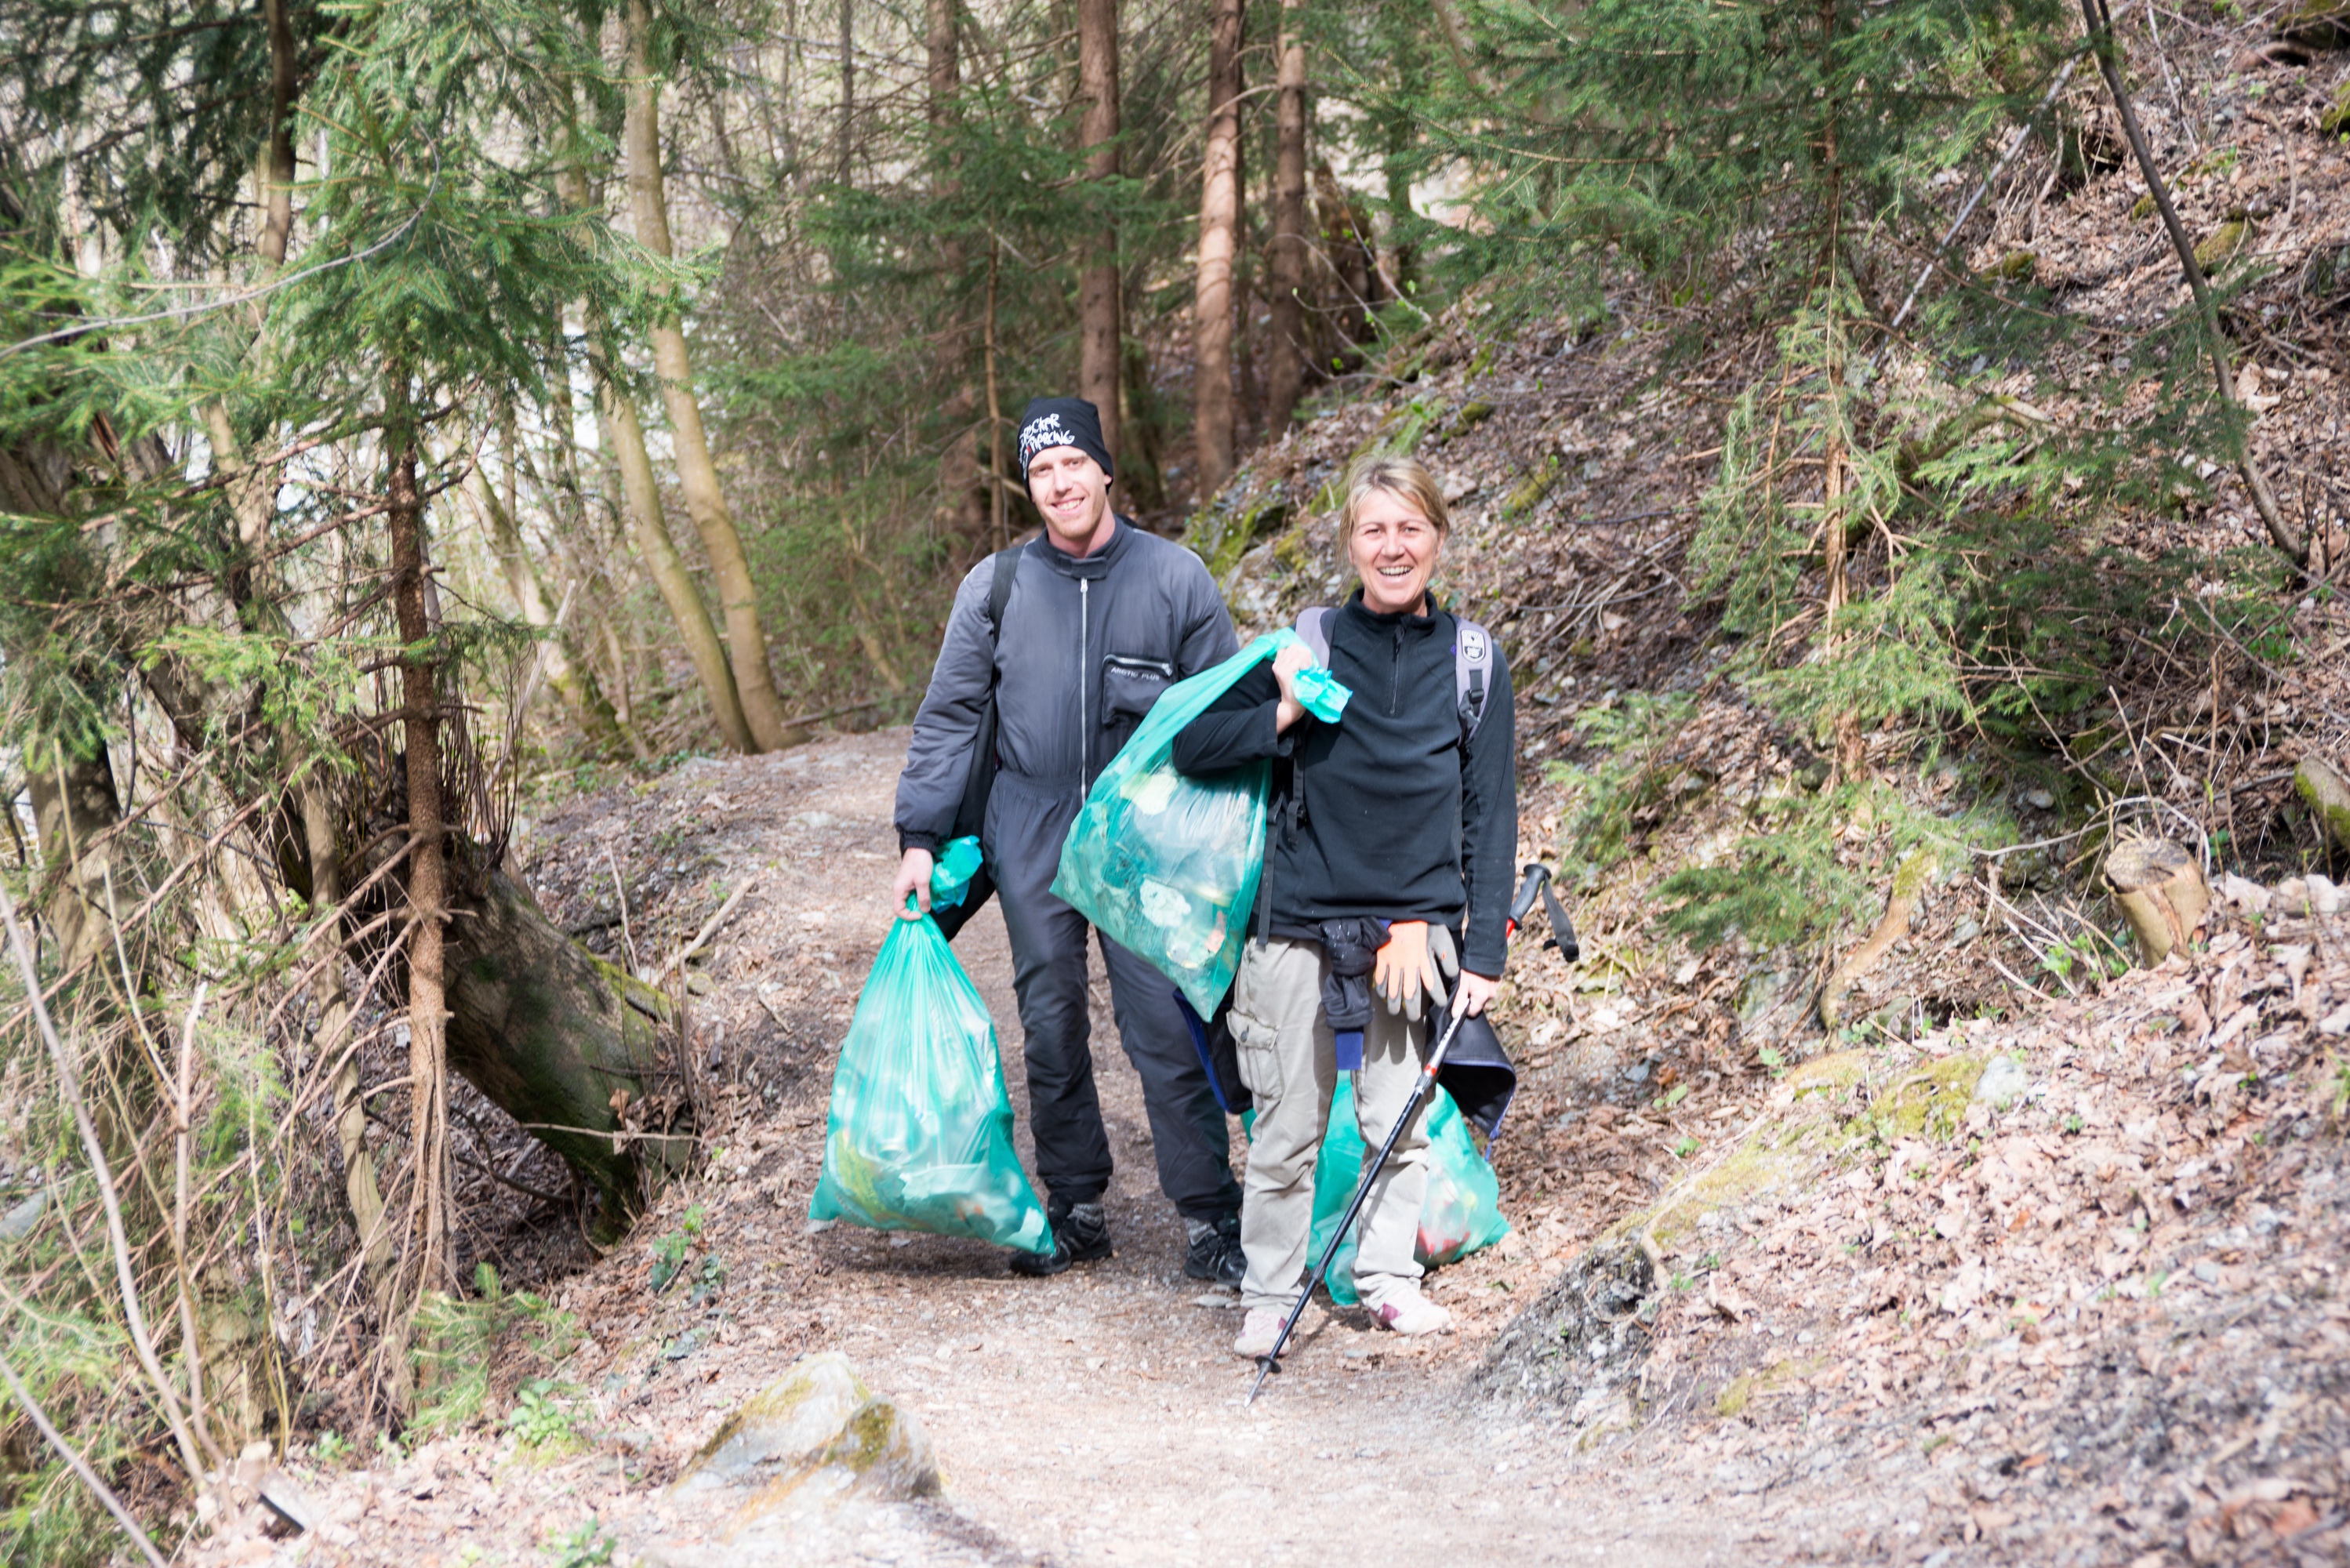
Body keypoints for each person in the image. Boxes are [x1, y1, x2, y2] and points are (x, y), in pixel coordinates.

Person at [891, 396, 1249, 1282]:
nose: (1060, 484)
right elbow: (949, 717)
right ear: (1031, 487)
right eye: (1041, 472)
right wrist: (919, 837)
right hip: (1031, 821)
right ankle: (1077, 1203)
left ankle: (1210, 1216)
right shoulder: (995, 586)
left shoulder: (1176, 579)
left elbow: (1232, 715)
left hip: (1144, 832)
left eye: (1072, 464)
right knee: (1049, 1020)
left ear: (1104, 469)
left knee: (1166, 1020)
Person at [1170, 454, 1516, 1352]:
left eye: (1410, 529)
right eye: (1375, 529)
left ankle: (1387, 1278)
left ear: (1439, 539)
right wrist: (1282, 712)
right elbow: (1196, 743)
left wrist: (1476, 954)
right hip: (1296, 926)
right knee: (1285, 1128)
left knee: (1397, 1124)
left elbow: (1490, 811)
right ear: (1349, 542)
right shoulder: (1309, 644)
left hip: (1413, 933)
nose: (1393, 548)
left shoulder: (1473, 661)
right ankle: (1271, 1292)